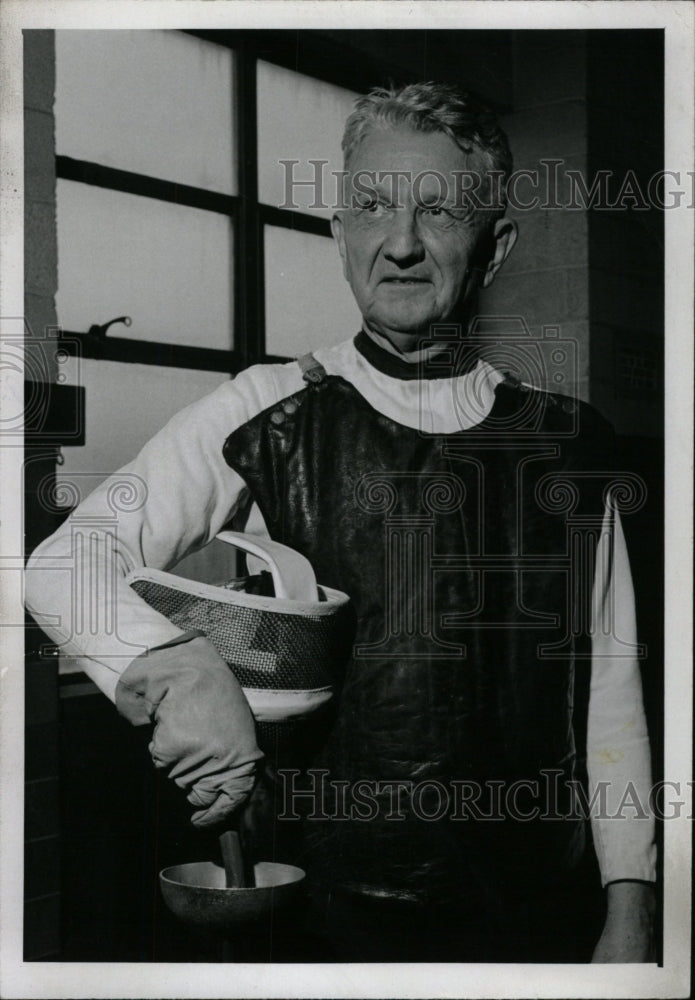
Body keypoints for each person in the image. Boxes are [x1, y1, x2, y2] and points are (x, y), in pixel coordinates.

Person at [25, 82, 656, 963]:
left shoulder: (569, 440)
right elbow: (62, 566)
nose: (399, 244)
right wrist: (174, 664)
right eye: (370, 208)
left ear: (495, 244)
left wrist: (632, 905)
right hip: (321, 925)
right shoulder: (264, 408)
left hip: (533, 916)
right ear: (339, 232)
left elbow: (610, 690)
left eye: (437, 212)